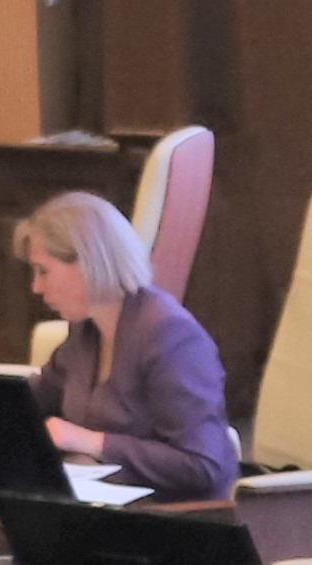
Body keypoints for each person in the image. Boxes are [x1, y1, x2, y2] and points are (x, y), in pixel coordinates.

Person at [23, 192, 235, 501]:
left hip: (179, 515)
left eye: (43, 271)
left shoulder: (171, 336)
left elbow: (203, 466)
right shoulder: (85, 331)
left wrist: (93, 442)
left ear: (88, 262)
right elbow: (33, 403)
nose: (36, 287)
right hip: (108, 506)